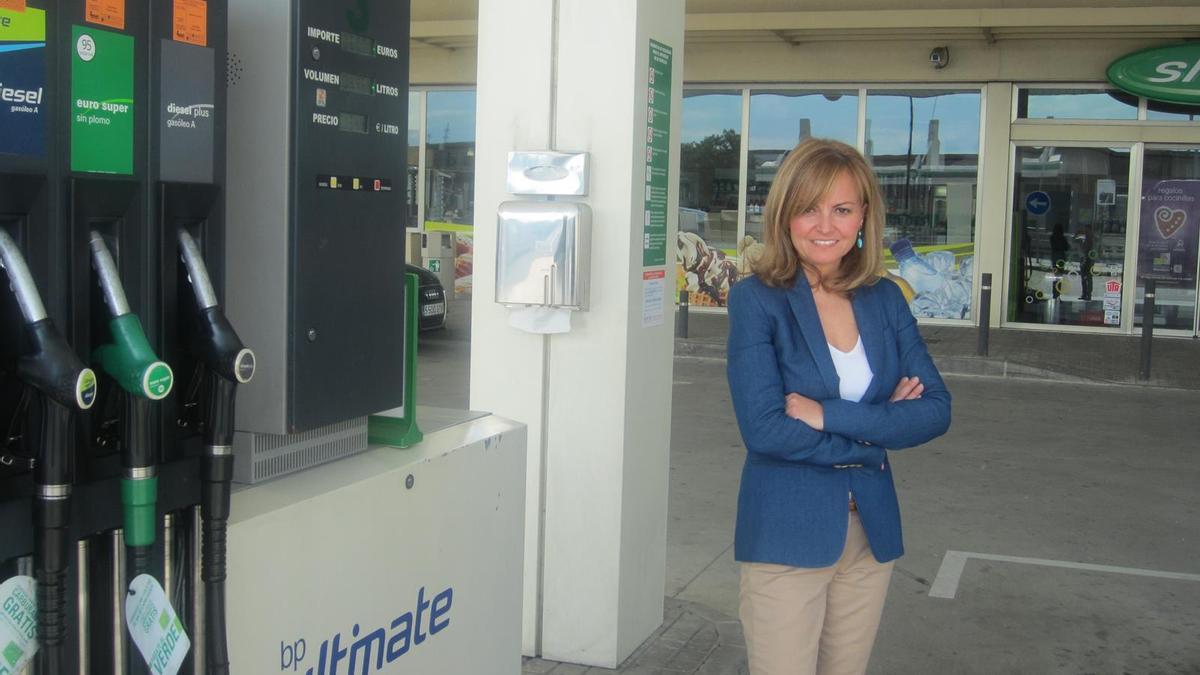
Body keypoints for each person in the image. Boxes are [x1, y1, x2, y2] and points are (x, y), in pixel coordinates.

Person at [725, 138, 952, 675]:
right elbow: (765, 431)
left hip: (869, 535)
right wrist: (880, 432)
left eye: (842, 209)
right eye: (808, 208)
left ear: (863, 217)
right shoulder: (757, 300)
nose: (825, 225)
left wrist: (830, 414)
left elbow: (936, 410)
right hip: (788, 533)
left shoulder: (885, 298)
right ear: (784, 216)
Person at [1049, 223, 1070, 299]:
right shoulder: (1062, 238)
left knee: (1056, 276)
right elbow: (1067, 247)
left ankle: (1055, 294)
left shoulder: (1052, 237)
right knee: (1059, 277)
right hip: (1061, 257)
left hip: (1054, 256)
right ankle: (1057, 294)